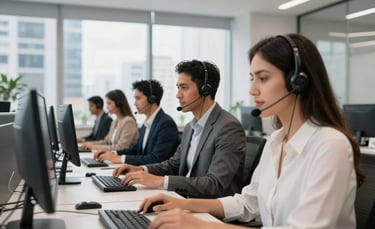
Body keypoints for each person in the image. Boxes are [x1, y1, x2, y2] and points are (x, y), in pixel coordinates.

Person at [141, 34, 365, 229]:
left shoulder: (329, 145)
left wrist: (201, 225)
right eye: (252, 78)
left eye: (263, 78)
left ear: (298, 82)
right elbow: (249, 204)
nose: (252, 89)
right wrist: (183, 204)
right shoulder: (276, 140)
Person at [112, 60, 246, 198]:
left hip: (209, 211)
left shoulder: (228, 127)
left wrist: (160, 181)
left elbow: (214, 184)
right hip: (184, 199)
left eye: (184, 87)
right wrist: (141, 169)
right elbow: (174, 164)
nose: (178, 95)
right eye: (178, 87)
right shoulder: (190, 127)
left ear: (205, 90)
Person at [93, 80, 179, 165]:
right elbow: (136, 149)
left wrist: (121, 159)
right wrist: (114, 153)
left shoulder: (166, 124)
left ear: (152, 99)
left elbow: (157, 159)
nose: (135, 103)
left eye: (138, 98)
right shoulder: (147, 123)